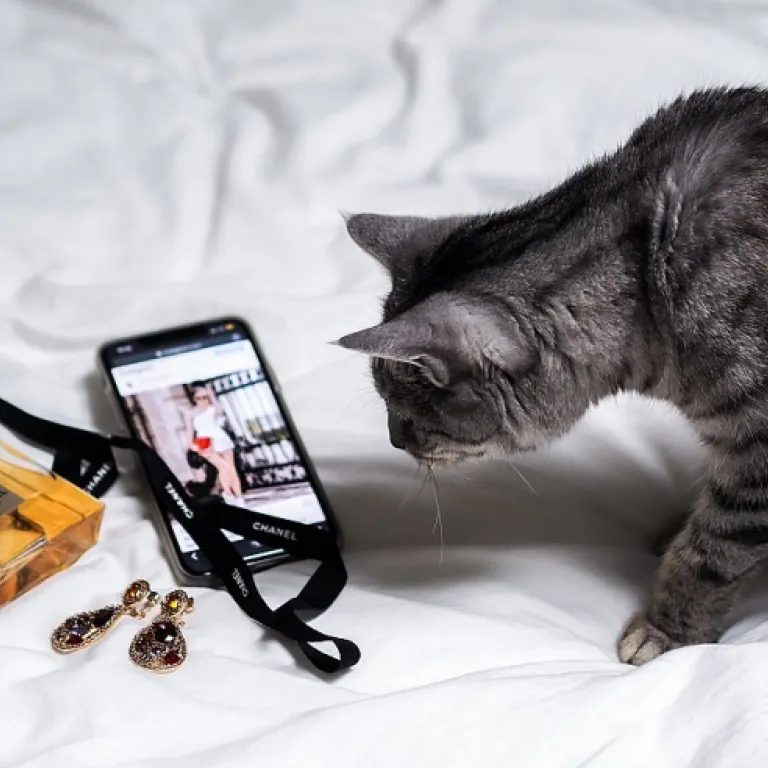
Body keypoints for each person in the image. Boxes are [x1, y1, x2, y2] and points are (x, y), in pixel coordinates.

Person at [183, 384, 246, 508]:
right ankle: (228, 494)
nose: (203, 400)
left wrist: (211, 395)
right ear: (194, 399)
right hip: (205, 442)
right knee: (224, 467)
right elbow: (189, 432)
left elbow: (219, 410)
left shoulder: (213, 408)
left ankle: (239, 498)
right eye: (199, 398)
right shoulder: (190, 413)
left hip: (221, 438)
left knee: (231, 469)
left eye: (205, 397)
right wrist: (192, 445)